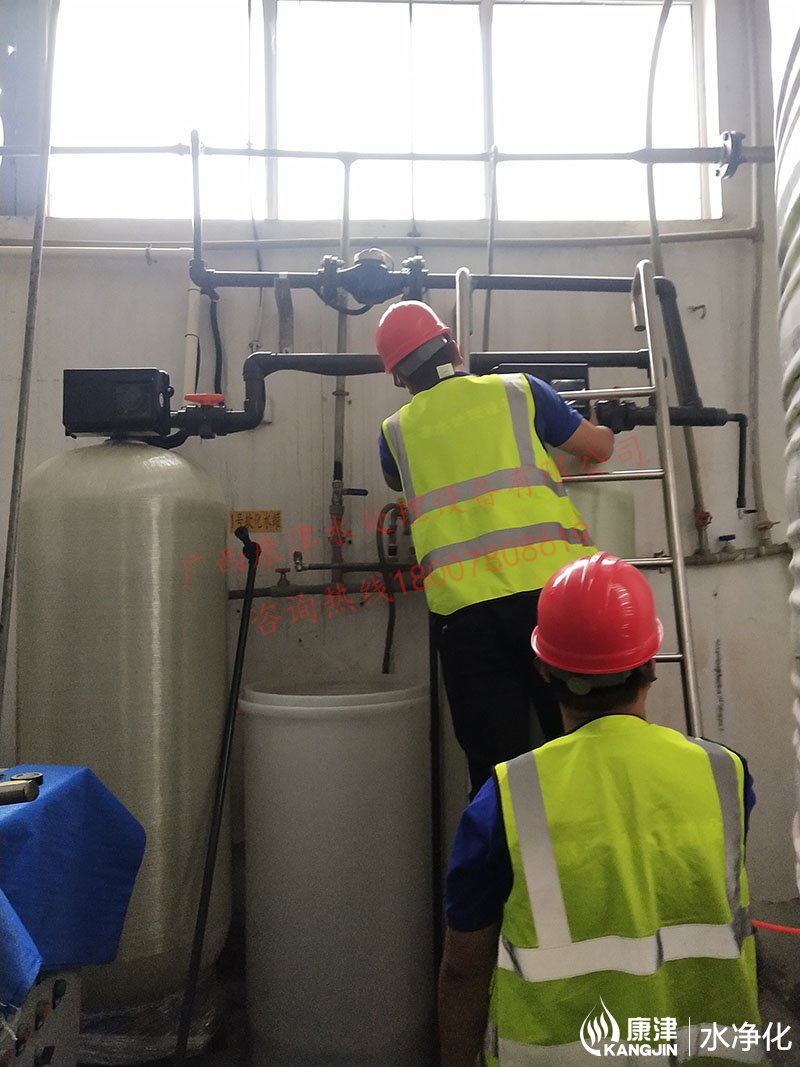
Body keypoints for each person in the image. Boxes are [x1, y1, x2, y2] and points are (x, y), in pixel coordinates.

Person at [438, 552, 761, 1067]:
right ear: (651, 666)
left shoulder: (504, 801)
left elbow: (463, 967)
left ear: (543, 670)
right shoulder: (727, 775)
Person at [376, 300, 614, 795]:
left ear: (397, 377)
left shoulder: (394, 432)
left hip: (465, 619)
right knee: (586, 748)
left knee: (494, 772)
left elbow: (398, 481)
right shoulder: (521, 391)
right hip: (552, 600)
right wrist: (605, 426)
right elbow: (597, 449)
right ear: (453, 345)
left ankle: (507, 848)